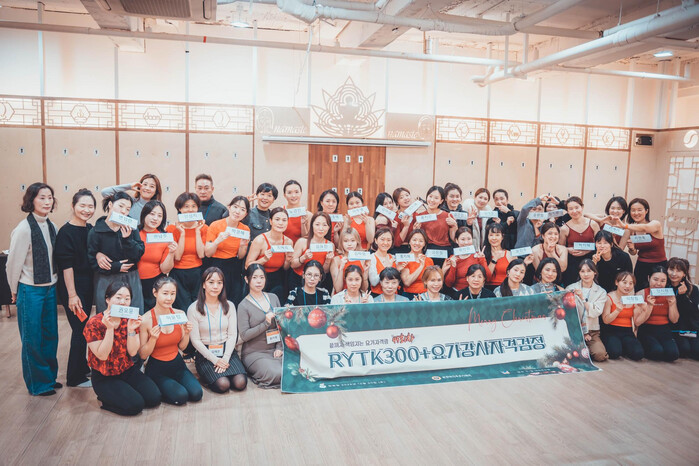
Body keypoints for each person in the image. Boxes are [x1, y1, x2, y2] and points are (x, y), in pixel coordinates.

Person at [6, 182, 60, 396]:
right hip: (30, 290)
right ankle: (38, 384)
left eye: (50, 198)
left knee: (50, 336)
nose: (47, 202)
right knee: (32, 339)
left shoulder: (51, 225)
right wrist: (13, 289)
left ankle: (49, 378)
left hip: (50, 288)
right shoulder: (23, 229)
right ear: (31, 200)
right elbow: (13, 263)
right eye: (42, 198)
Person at [84, 281, 161, 415]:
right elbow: (102, 355)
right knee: (136, 405)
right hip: (104, 376)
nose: (123, 302)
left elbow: (132, 352)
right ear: (108, 299)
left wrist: (131, 330)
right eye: (118, 297)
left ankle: (122, 392)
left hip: (127, 369)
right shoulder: (94, 323)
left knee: (154, 398)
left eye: (127, 298)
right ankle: (105, 400)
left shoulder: (129, 320)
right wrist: (109, 329)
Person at [55, 188, 97, 388]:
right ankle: (74, 377)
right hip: (73, 287)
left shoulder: (89, 228)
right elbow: (66, 266)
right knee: (80, 330)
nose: (86, 210)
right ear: (73, 206)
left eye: (90, 206)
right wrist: (72, 295)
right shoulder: (66, 232)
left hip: (87, 286)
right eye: (82, 205)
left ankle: (82, 367)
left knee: (84, 327)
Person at [139, 277, 202, 405]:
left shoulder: (179, 314)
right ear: (155, 293)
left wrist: (186, 333)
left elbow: (182, 347)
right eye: (165, 293)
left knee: (196, 394)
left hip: (178, 365)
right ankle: (158, 387)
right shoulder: (146, 320)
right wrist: (153, 339)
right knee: (181, 396)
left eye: (173, 294)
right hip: (157, 369)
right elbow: (143, 355)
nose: (169, 298)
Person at [187, 267, 247, 393]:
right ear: (204, 285)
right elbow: (195, 340)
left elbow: (232, 335)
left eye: (219, 283)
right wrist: (215, 360)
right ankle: (208, 377)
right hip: (206, 353)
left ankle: (223, 371)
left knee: (240, 382)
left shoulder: (229, 305)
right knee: (223, 384)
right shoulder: (193, 309)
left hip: (227, 351)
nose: (215, 286)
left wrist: (225, 358)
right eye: (211, 282)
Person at [87, 191, 145, 314]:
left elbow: (138, 254)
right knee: (107, 315)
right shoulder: (95, 231)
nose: (124, 211)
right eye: (121, 206)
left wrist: (127, 240)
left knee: (133, 315)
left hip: (131, 277)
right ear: (110, 205)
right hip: (106, 279)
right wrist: (114, 267)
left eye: (128, 209)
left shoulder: (131, 227)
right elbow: (92, 260)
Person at [237, 264, 282, 388]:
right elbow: (244, 335)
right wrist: (265, 323)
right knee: (277, 373)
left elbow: (281, 326)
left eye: (262, 277)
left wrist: (279, 347)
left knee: (295, 369)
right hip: (254, 353)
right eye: (255, 277)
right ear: (247, 279)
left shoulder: (273, 297)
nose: (259, 281)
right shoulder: (243, 306)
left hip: (275, 350)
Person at [610, 198, 666, 290]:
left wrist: (625, 226)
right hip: (641, 264)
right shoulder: (632, 230)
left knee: (658, 291)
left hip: (658, 265)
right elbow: (632, 252)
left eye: (639, 210)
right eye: (633, 210)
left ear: (646, 211)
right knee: (639, 291)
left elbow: (645, 228)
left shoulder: (655, 224)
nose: (636, 213)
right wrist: (632, 248)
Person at [204, 195, 251, 306]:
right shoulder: (215, 225)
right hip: (215, 265)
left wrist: (242, 245)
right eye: (235, 207)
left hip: (234, 267)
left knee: (233, 300)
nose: (238, 211)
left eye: (242, 209)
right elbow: (208, 253)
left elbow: (240, 256)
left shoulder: (245, 229)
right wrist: (218, 241)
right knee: (216, 299)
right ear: (229, 207)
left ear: (246, 214)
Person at [166, 192, 207, 311]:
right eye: (186, 206)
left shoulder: (204, 228)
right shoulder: (172, 228)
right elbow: (177, 256)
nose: (190, 210)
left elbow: (201, 254)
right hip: (178, 273)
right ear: (180, 209)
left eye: (194, 206)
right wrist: (182, 233)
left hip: (197, 272)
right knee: (181, 308)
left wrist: (197, 231)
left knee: (198, 307)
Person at [245, 207, 293, 303]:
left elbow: (285, 267)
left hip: (277, 278)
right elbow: (247, 265)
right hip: (258, 277)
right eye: (277, 219)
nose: (280, 223)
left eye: (284, 220)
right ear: (271, 221)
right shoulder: (260, 240)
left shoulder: (288, 242)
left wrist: (288, 260)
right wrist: (264, 259)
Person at [566, 259, 608, 362]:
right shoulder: (571, 288)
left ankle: (587, 349)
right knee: (576, 356)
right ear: (579, 273)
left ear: (595, 272)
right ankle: (584, 350)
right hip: (574, 330)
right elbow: (567, 311)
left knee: (600, 355)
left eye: (589, 271)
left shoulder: (601, 292)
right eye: (582, 271)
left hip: (592, 331)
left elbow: (596, 312)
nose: (586, 274)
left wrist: (583, 299)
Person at [137, 200, 176, 311]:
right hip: (134, 281)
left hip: (155, 283)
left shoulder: (165, 237)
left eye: (159, 216)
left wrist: (171, 252)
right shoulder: (134, 233)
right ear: (144, 214)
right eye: (152, 214)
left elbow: (165, 269)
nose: (155, 218)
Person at [635, 266, 679, 362]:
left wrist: (672, 304)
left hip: (664, 329)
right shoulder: (641, 294)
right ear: (649, 278)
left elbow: (674, 320)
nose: (658, 284)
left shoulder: (669, 294)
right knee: (657, 352)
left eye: (663, 281)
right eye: (655, 279)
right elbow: (638, 322)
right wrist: (649, 306)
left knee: (673, 354)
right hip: (646, 328)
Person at [600, 272, 644, 361]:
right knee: (614, 353)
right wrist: (617, 310)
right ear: (616, 282)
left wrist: (645, 309)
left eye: (631, 283)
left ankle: (624, 346)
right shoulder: (609, 297)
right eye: (624, 282)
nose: (627, 286)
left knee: (638, 354)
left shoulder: (633, 298)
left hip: (627, 331)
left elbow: (637, 322)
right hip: (611, 330)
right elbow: (606, 320)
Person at [560, 196, 599, 286]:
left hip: (591, 260)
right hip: (572, 263)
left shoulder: (593, 224)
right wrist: (568, 249)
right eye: (570, 209)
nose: (574, 211)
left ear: (582, 207)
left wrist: (587, 250)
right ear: (567, 211)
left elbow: (600, 244)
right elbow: (560, 248)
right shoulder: (564, 228)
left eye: (577, 207)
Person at [290, 212, 334, 292]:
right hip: (298, 280)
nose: (321, 228)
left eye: (324, 225)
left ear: (329, 227)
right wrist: (303, 257)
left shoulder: (330, 245)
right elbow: (292, 264)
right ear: (312, 225)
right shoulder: (302, 242)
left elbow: (325, 271)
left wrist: (328, 260)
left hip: (318, 283)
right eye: (317, 224)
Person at [414, 186, 457, 266]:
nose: (432, 200)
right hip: (427, 250)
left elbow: (454, 238)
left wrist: (454, 225)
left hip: (444, 251)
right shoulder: (421, 216)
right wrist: (416, 230)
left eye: (436, 198)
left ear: (441, 201)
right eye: (430, 196)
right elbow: (417, 239)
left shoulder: (447, 215)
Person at [667, 257, 699, 360]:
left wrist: (683, 296)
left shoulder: (693, 289)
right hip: (674, 326)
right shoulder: (665, 287)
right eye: (671, 269)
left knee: (696, 352)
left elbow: (692, 311)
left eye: (678, 271)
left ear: (684, 274)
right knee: (684, 349)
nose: (674, 274)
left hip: (690, 326)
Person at [443, 227, 488, 299]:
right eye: (463, 239)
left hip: (476, 293)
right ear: (457, 240)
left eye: (469, 239)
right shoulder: (452, 258)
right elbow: (449, 283)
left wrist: (482, 259)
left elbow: (488, 277)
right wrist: (453, 266)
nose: (466, 242)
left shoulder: (478, 256)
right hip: (458, 293)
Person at [330, 228, 369, 294]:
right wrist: (341, 268)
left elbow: (364, 289)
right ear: (341, 243)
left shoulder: (363, 259)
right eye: (346, 241)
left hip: (357, 296)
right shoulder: (336, 260)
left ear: (357, 241)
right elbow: (338, 289)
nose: (349, 244)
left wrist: (365, 276)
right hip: (342, 296)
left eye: (352, 241)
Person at [399, 229, 434, 300]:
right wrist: (421, 266)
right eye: (414, 240)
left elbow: (432, 281)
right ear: (409, 242)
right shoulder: (404, 259)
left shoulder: (429, 260)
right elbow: (407, 282)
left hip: (426, 295)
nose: (417, 243)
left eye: (421, 241)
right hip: (409, 296)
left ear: (424, 244)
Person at [368, 228, 400, 296]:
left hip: (393, 295)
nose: (385, 243)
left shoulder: (394, 258)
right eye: (382, 239)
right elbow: (373, 282)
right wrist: (387, 267)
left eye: (388, 240)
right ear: (376, 240)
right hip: (377, 296)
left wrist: (399, 270)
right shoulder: (372, 258)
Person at [484, 223, 513, 290]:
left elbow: (515, 273)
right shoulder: (483, 254)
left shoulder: (510, 254)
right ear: (487, 237)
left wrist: (525, 263)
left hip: (505, 288)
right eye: (491, 235)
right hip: (488, 289)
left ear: (502, 237)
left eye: (497, 235)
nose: (494, 238)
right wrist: (494, 260)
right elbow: (486, 278)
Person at [282, 180, 311, 244]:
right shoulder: (280, 212)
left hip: (301, 248)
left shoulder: (308, 215)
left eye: (296, 192)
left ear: (301, 193)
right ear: (284, 195)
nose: (293, 195)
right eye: (289, 192)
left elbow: (309, 238)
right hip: (283, 247)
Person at [393, 187, 419, 253]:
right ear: (397, 202)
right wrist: (406, 226)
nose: (406, 198)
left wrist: (415, 231)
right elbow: (397, 242)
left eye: (407, 195)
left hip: (414, 248)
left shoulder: (416, 215)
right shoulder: (395, 217)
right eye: (401, 197)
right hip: (399, 249)